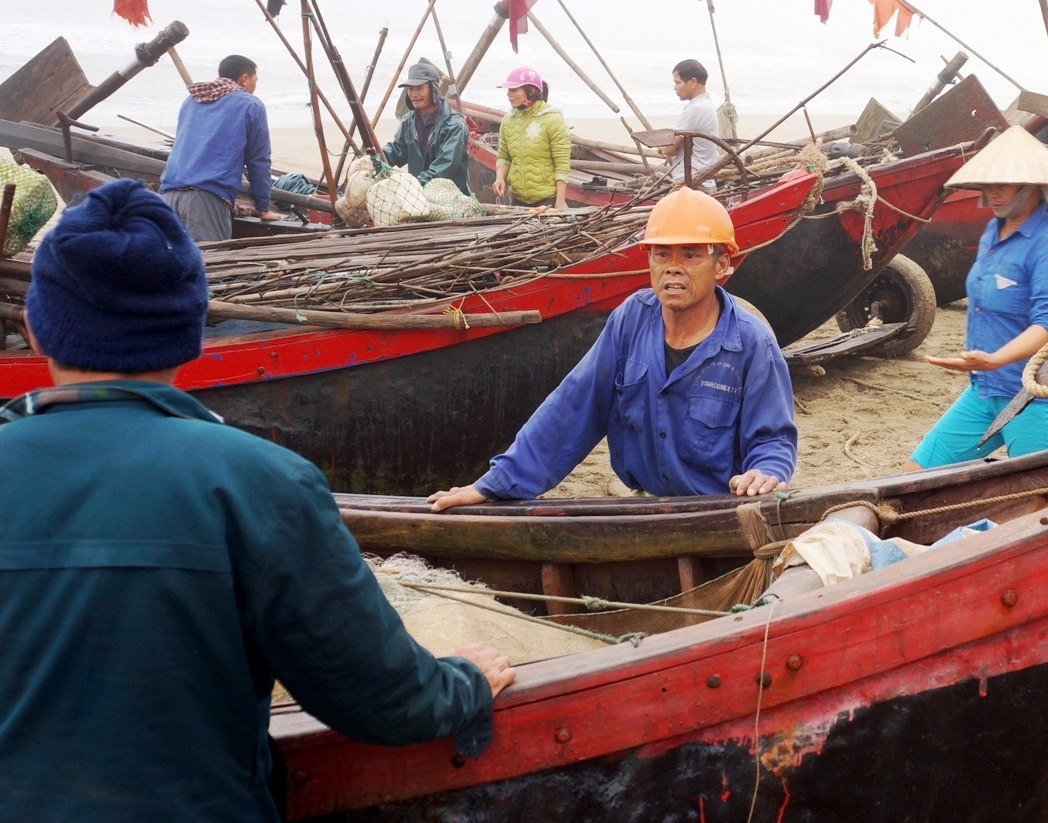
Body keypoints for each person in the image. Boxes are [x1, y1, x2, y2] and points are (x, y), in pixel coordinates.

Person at [0, 180, 514, 823]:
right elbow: (382, 700)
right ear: (191, 334)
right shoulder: (263, 483)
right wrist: (463, 682)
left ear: (37, 332)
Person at [428, 188, 795, 507]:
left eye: (690, 255)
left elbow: (773, 439)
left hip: (718, 510)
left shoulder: (752, 344)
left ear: (722, 265)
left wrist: (766, 472)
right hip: (645, 505)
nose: (673, 268)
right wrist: (495, 483)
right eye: (662, 255)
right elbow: (573, 406)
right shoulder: (630, 320)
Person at [908, 126, 1048, 469]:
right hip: (984, 391)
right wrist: (987, 367)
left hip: (1034, 397)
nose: (993, 194)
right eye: (988, 184)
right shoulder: (993, 230)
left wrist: (996, 358)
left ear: (1032, 186)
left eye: (1002, 184)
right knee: (913, 475)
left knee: (1035, 501)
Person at [158, 53, 279, 242]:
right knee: (211, 264)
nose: (254, 87)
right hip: (207, 200)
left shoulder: (191, 100)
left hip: (168, 194)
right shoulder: (251, 105)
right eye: (255, 80)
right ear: (245, 79)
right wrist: (263, 207)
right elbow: (258, 161)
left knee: (171, 264)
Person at [381, 61, 471, 195]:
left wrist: (415, 185)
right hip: (420, 195)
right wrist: (377, 157)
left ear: (433, 89)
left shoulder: (455, 125)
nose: (413, 94)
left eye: (419, 88)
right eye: (410, 89)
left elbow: (445, 166)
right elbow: (398, 150)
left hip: (452, 198)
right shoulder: (408, 120)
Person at [492, 66, 571, 208]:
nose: (508, 94)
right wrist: (500, 178)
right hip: (517, 200)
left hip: (547, 200)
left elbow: (562, 164)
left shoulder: (553, 119)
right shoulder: (508, 121)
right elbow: (504, 156)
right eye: (508, 90)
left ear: (531, 91)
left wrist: (560, 201)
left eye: (514, 90)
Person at [661, 58, 720, 182]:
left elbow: (668, 149)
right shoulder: (706, 105)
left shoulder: (695, 109)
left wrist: (663, 147)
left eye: (678, 82)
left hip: (691, 183)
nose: (675, 87)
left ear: (693, 82)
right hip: (703, 180)